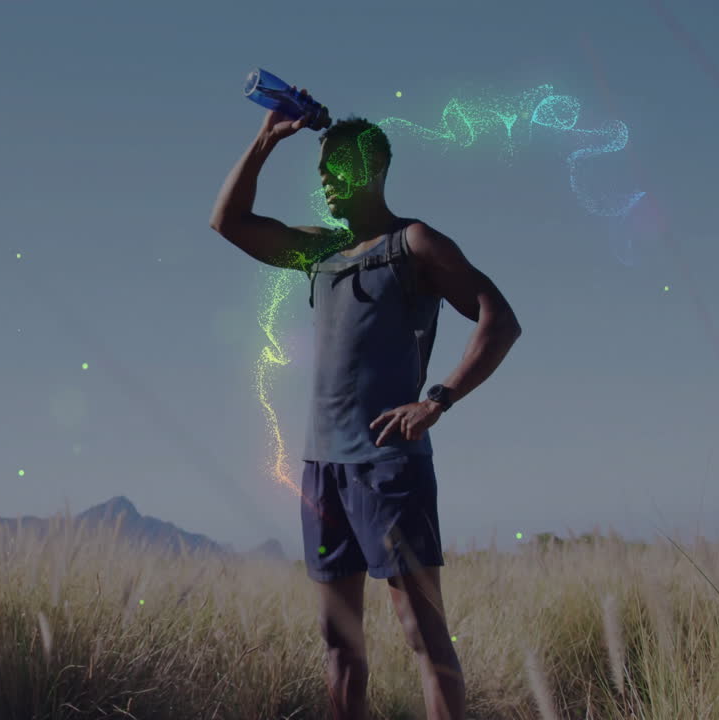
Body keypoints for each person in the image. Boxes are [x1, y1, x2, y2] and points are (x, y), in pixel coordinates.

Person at [209, 87, 523, 720]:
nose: (324, 183)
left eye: (335, 171)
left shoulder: (414, 245)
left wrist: (437, 400)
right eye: (319, 173)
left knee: (423, 636)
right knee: (339, 647)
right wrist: (266, 141)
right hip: (322, 471)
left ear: (371, 171)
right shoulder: (320, 251)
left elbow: (499, 319)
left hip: (388, 467)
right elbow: (230, 223)